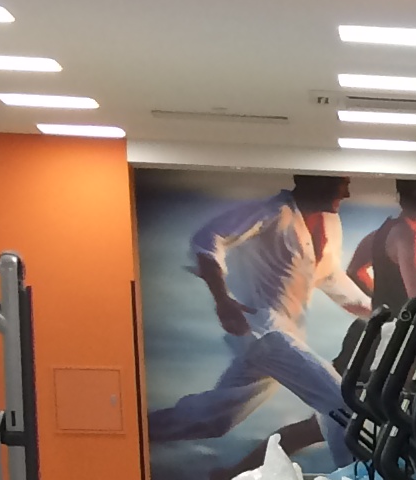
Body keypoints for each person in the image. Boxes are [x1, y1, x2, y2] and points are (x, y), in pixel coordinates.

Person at [144, 174, 372, 456]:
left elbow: (329, 277)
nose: (347, 193)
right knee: (341, 402)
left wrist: (377, 311)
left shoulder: (330, 223)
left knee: (214, 420)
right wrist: (222, 299)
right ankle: (356, 475)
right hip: (264, 332)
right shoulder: (273, 212)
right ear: (315, 181)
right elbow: (208, 240)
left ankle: (137, 429)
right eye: (342, 184)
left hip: (281, 336)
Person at [349, 178, 416, 309]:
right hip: (400, 319)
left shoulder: (380, 233)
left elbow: (354, 271)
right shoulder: (408, 236)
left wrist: (382, 299)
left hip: (384, 318)